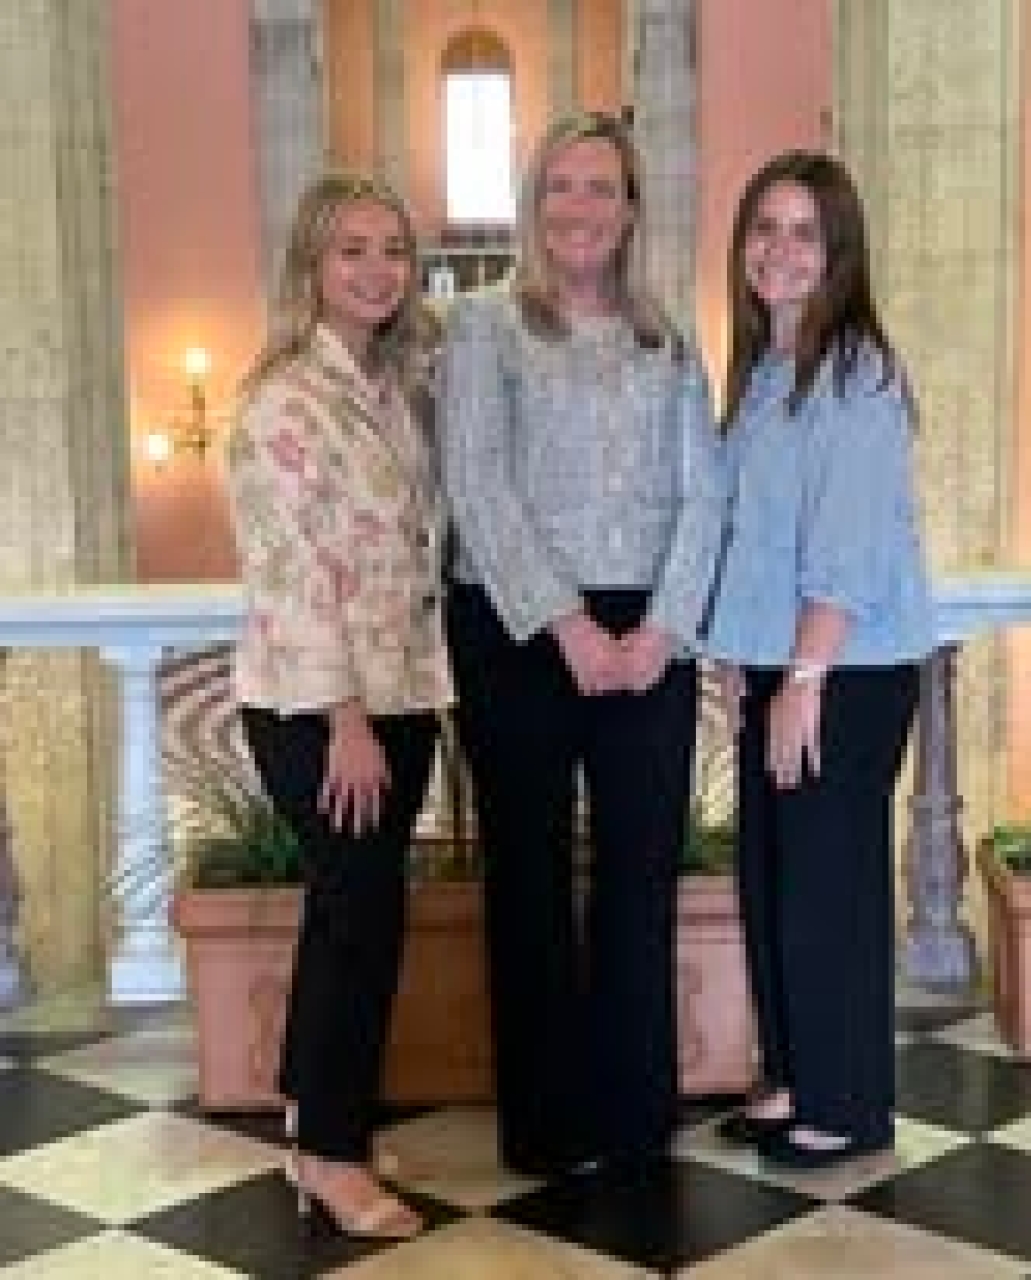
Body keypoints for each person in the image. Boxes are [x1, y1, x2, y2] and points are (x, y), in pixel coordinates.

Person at [440, 111, 724, 1176]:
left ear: (632, 208)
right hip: (515, 628)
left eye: (600, 186)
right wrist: (567, 625)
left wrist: (659, 628)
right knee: (527, 872)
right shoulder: (483, 327)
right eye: (558, 185)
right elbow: (477, 482)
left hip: (649, 632)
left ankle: (632, 1111)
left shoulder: (670, 337)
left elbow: (708, 490)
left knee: (638, 873)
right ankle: (546, 1122)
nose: (578, 207)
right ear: (531, 206)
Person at [225, 172, 453, 1236]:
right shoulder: (280, 400)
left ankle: (327, 1113)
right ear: (309, 266)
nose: (374, 269)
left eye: (392, 250)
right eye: (350, 250)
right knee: (358, 920)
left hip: (403, 688)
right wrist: (344, 720)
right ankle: (328, 1155)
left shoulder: (391, 383)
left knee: (351, 916)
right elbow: (292, 573)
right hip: (326, 710)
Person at [703, 151, 936, 1169]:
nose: (779, 249)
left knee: (826, 887)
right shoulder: (761, 370)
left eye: (804, 231)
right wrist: (736, 654)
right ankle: (794, 1070)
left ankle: (845, 1103)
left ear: (838, 251)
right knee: (770, 878)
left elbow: (839, 546)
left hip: (843, 669)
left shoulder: (857, 372)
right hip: (779, 663)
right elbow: (750, 532)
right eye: (764, 227)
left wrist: (802, 680)